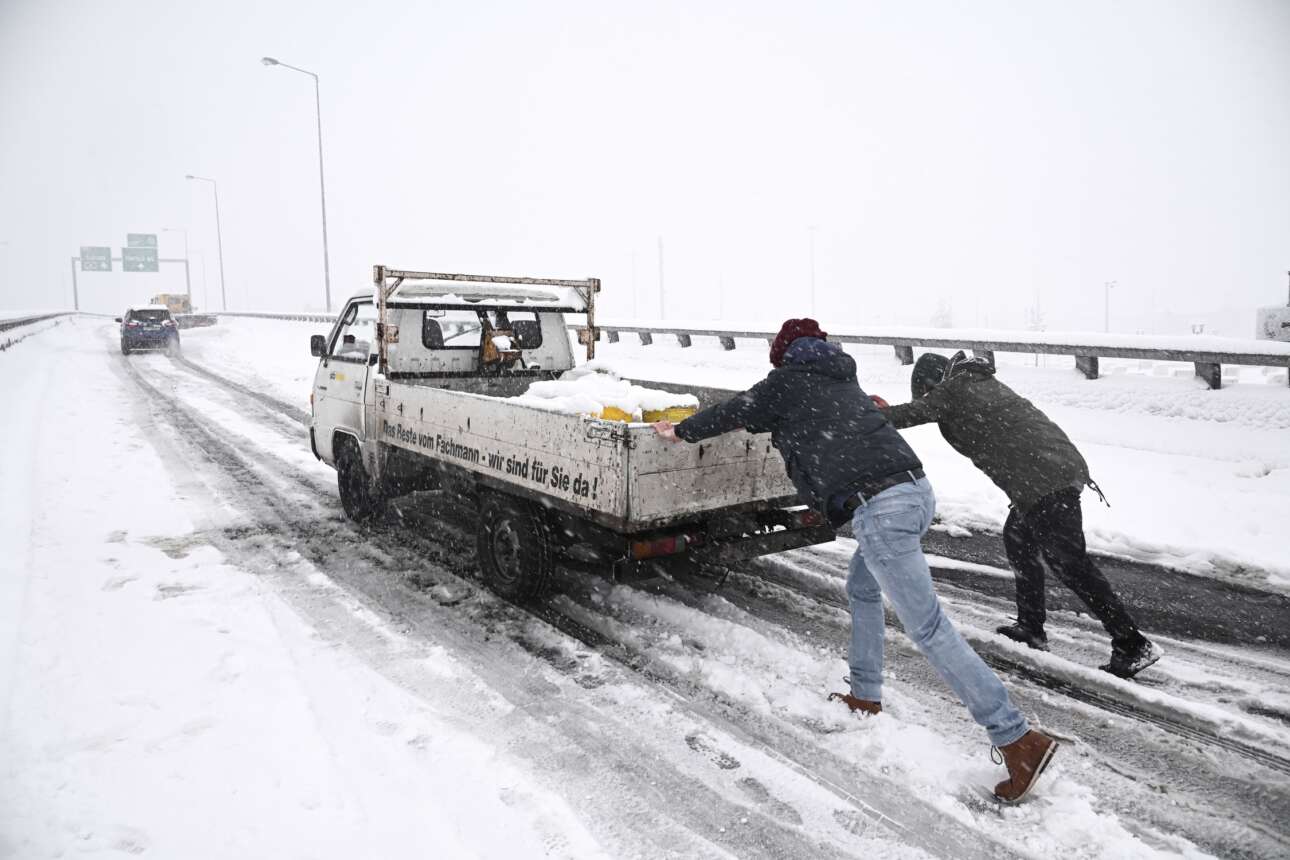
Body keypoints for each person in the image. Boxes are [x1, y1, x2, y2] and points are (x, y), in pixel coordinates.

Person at [653, 319, 1058, 803]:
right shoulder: (842, 378)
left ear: (784, 353)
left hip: (880, 508)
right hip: (913, 492)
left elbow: (735, 411)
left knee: (928, 628)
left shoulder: (787, 382)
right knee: (862, 588)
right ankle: (865, 696)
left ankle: (1016, 738)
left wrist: (680, 430)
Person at [879, 351, 1161, 679]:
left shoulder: (956, 388)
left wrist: (871, 413)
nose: (930, 398)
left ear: (934, 382)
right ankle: (1030, 627)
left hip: (1046, 480)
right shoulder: (975, 384)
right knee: (1019, 542)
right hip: (1046, 475)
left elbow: (910, 414)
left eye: (928, 391)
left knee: (1069, 564)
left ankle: (1132, 642)